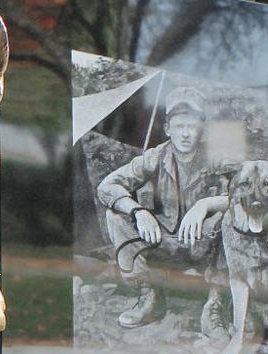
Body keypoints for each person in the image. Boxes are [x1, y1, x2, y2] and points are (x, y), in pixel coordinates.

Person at [96, 91, 227, 328]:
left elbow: (242, 195)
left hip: (206, 244)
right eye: (179, 126)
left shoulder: (218, 156)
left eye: (192, 126)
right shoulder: (155, 156)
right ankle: (150, 296)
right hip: (162, 241)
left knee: (232, 218)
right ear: (167, 128)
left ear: (203, 129)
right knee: (115, 214)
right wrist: (139, 212)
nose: (185, 133)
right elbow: (107, 186)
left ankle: (216, 304)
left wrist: (206, 204)